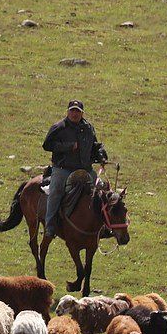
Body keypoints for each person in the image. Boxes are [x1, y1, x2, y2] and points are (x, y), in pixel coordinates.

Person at [41, 99, 107, 235]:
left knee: (102, 190)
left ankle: (105, 225)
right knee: (56, 192)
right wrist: (68, 146)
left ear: (82, 113)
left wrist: (101, 155)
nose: (75, 114)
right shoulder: (59, 127)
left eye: (78, 111)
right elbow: (47, 145)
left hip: (85, 170)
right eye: (72, 111)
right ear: (68, 112)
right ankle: (50, 225)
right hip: (63, 169)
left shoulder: (88, 128)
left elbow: (95, 145)